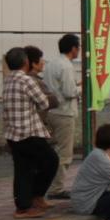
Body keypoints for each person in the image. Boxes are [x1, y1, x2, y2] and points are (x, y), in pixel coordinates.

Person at [2, 47, 59, 219]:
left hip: (13, 133)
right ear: (26, 62)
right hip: (29, 132)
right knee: (51, 160)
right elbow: (43, 103)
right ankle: (36, 196)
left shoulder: (8, 80)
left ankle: (23, 206)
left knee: (22, 169)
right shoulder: (27, 81)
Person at [42, 33, 80, 200]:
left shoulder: (50, 64)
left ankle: (49, 185)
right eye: (78, 47)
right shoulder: (66, 66)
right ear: (73, 49)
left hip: (51, 111)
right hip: (65, 112)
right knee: (64, 153)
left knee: (53, 151)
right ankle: (57, 188)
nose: (79, 50)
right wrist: (82, 87)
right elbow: (69, 92)